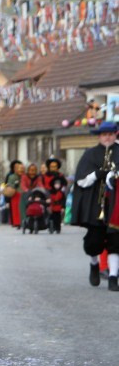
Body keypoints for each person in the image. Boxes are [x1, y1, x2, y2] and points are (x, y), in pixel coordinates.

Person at [72, 121, 119, 289]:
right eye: (104, 134)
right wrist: (97, 174)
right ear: (99, 136)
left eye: (111, 134)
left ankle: (113, 277)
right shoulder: (90, 154)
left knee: (116, 241)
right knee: (94, 242)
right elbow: (81, 181)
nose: (108, 137)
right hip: (95, 204)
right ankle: (94, 264)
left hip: (116, 204)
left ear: (115, 135)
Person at [3, 161, 24, 229]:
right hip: (15, 194)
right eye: (16, 167)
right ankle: (16, 223)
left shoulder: (24, 176)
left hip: (23, 193)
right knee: (15, 209)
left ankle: (23, 222)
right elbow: (8, 185)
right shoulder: (11, 176)